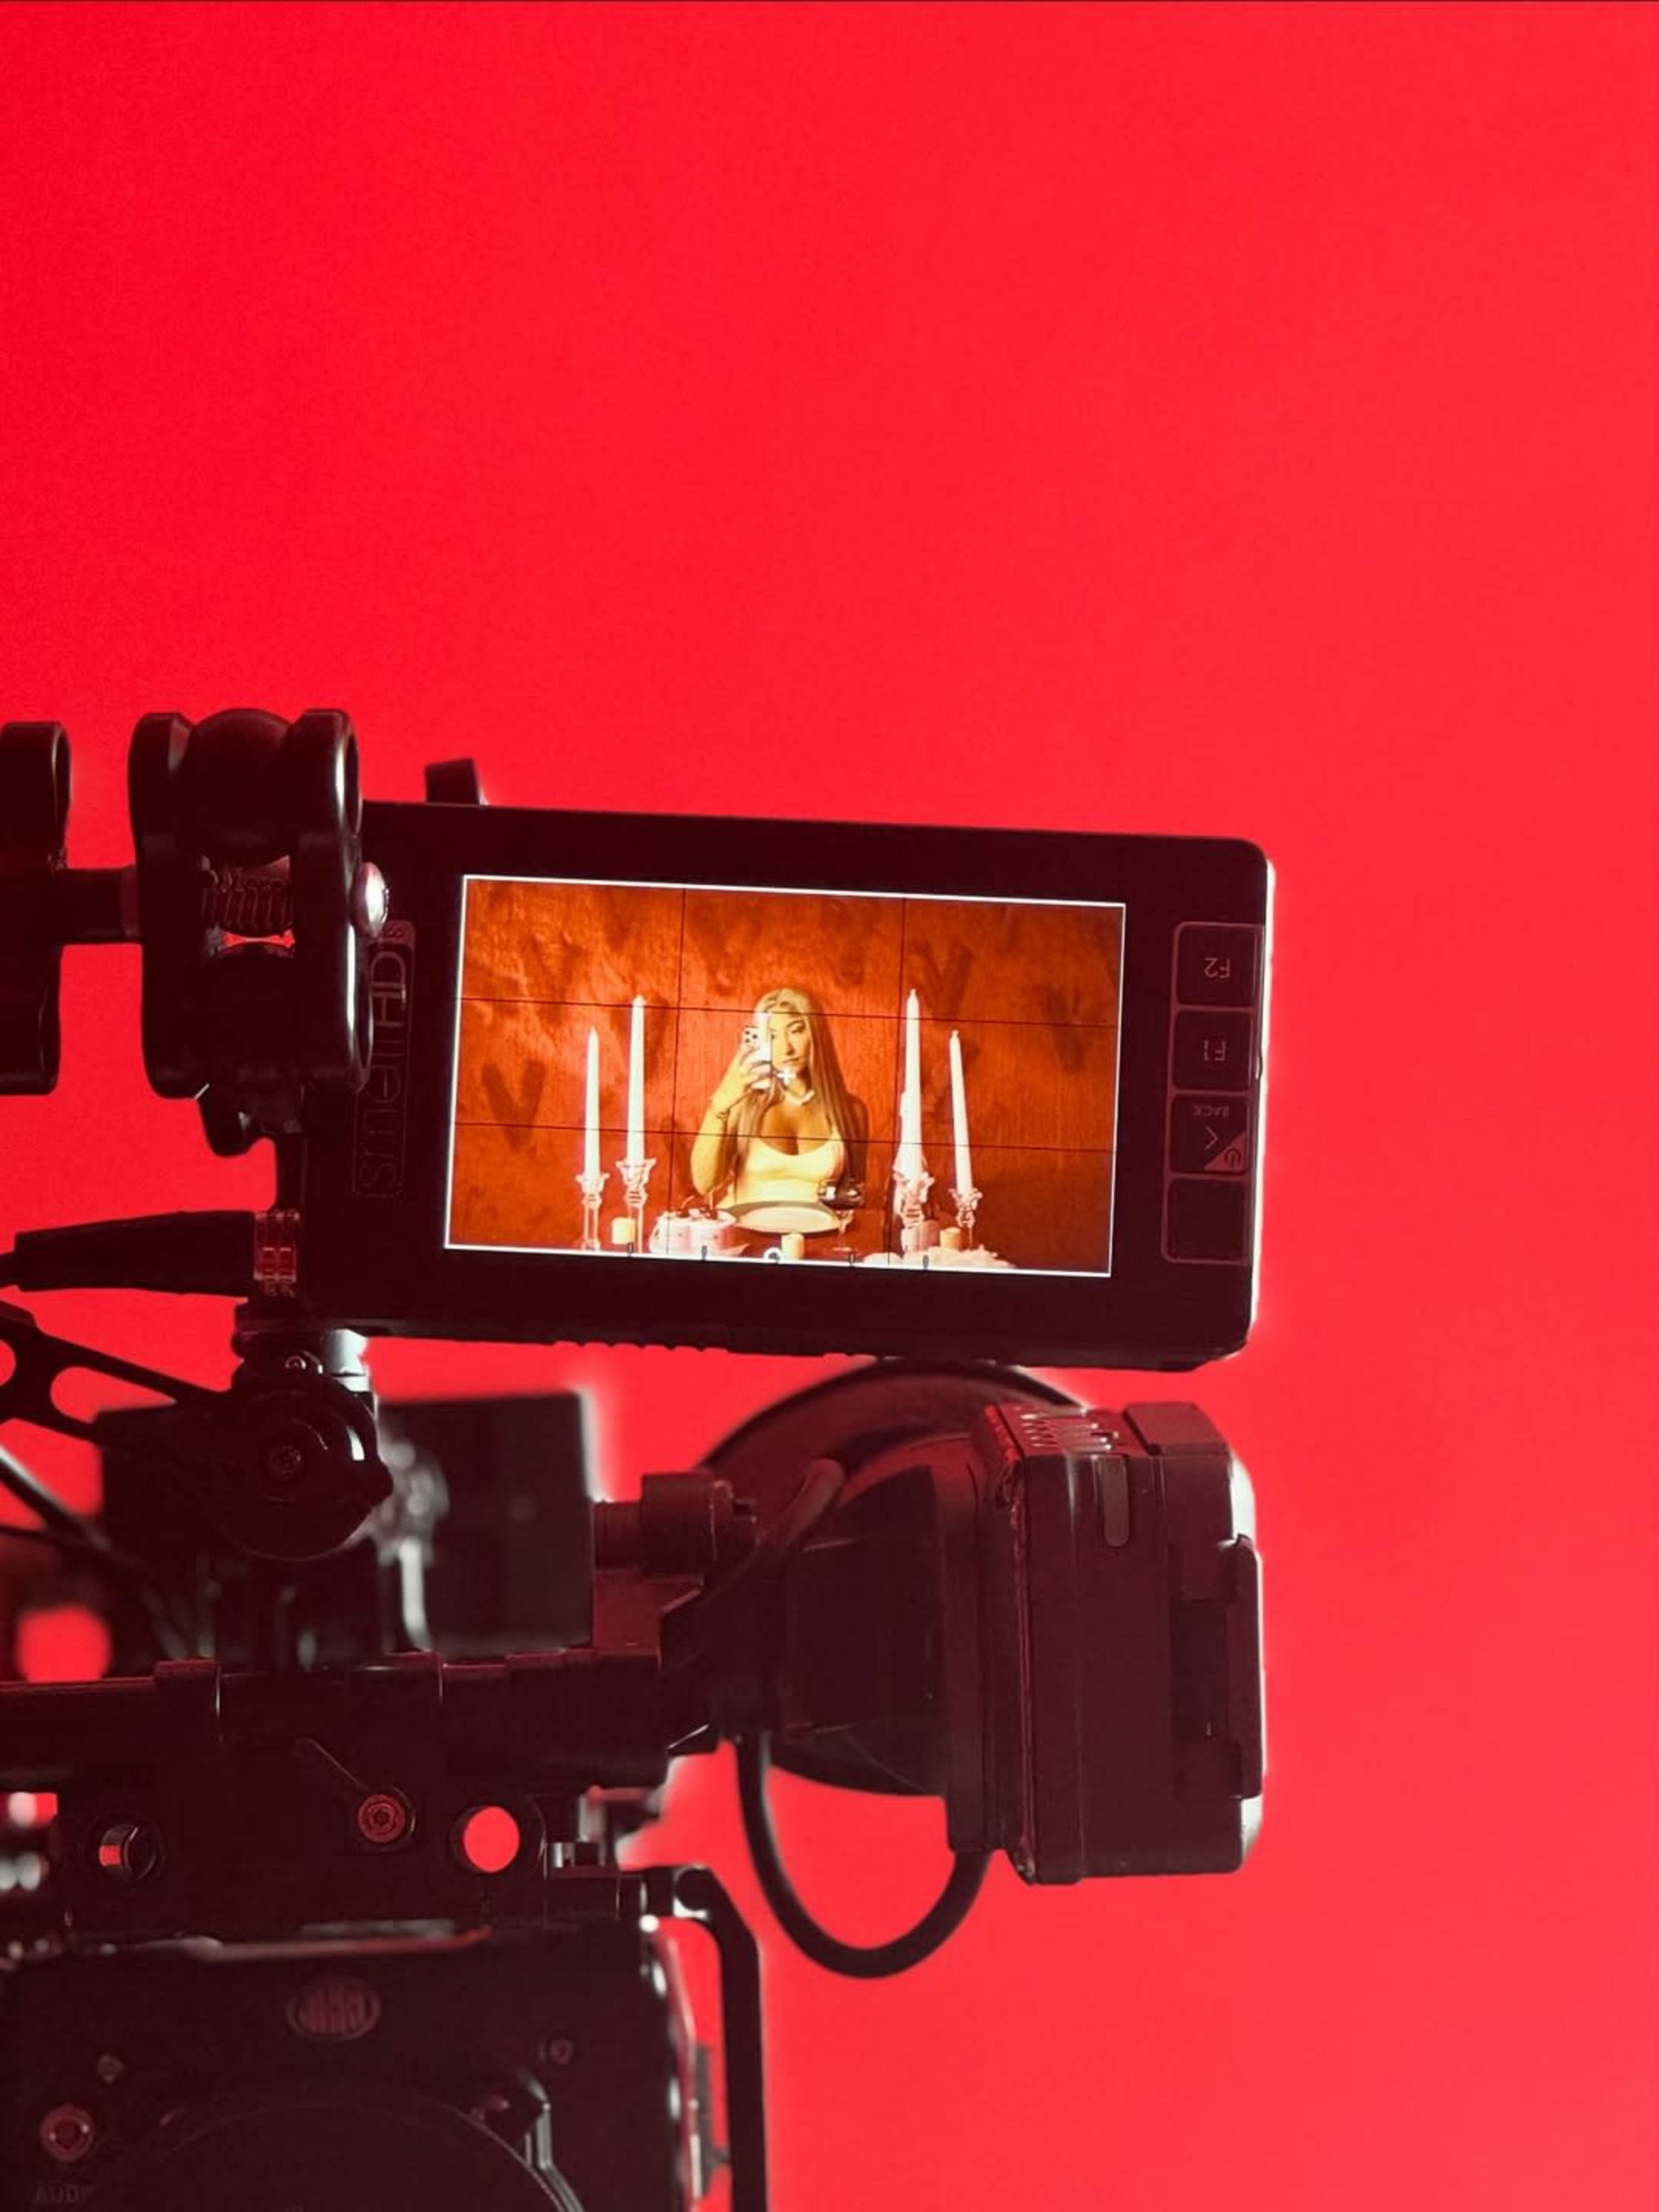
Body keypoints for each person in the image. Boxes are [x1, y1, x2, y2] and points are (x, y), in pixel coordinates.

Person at [690, 987, 867, 1233]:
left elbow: (853, 1196)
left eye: (796, 1031)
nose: (786, 1049)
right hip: (744, 1238)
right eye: (773, 1036)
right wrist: (722, 1102)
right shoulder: (744, 1103)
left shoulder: (851, 1112)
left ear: (816, 1034)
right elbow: (704, 1183)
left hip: (816, 1241)